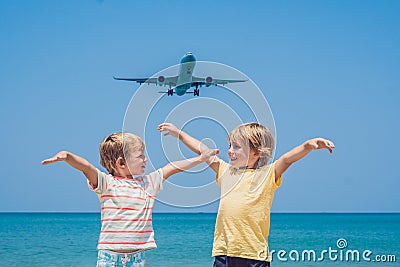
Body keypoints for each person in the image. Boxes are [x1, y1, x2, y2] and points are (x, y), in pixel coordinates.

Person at [158, 122, 335, 267]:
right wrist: (178, 133)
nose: (230, 151)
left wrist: (308, 146)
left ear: (256, 153)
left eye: (236, 147)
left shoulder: (267, 175)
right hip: (224, 253)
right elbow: (202, 150)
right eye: (230, 146)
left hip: (254, 255)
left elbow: (287, 159)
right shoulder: (225, 171)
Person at [42, 131, 218, 267]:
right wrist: (67, 156)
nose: (145, 160)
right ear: (121, 163)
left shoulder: (148, 184)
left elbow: (172, 167)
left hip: (137, 258)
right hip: (109, 258)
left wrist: (201, 158)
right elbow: (87, 167)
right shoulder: (107, 183)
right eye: (140, 156)